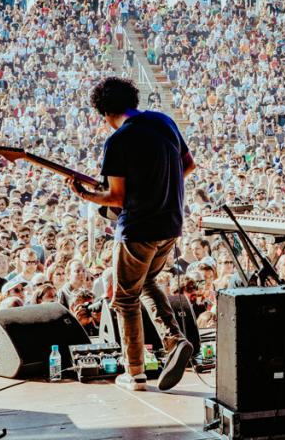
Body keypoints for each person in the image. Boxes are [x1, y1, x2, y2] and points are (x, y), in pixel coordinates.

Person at [69, 76, 196, 393]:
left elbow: (116, 198)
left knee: (124, 298)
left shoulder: (118, 141)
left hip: (138, 228)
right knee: (146, 281)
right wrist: (158, 187)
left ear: (103, 113)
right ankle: (174, 339)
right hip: (171, 224)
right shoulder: (163, 121)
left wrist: (86, 195)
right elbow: (189, 165)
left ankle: (135, 373)